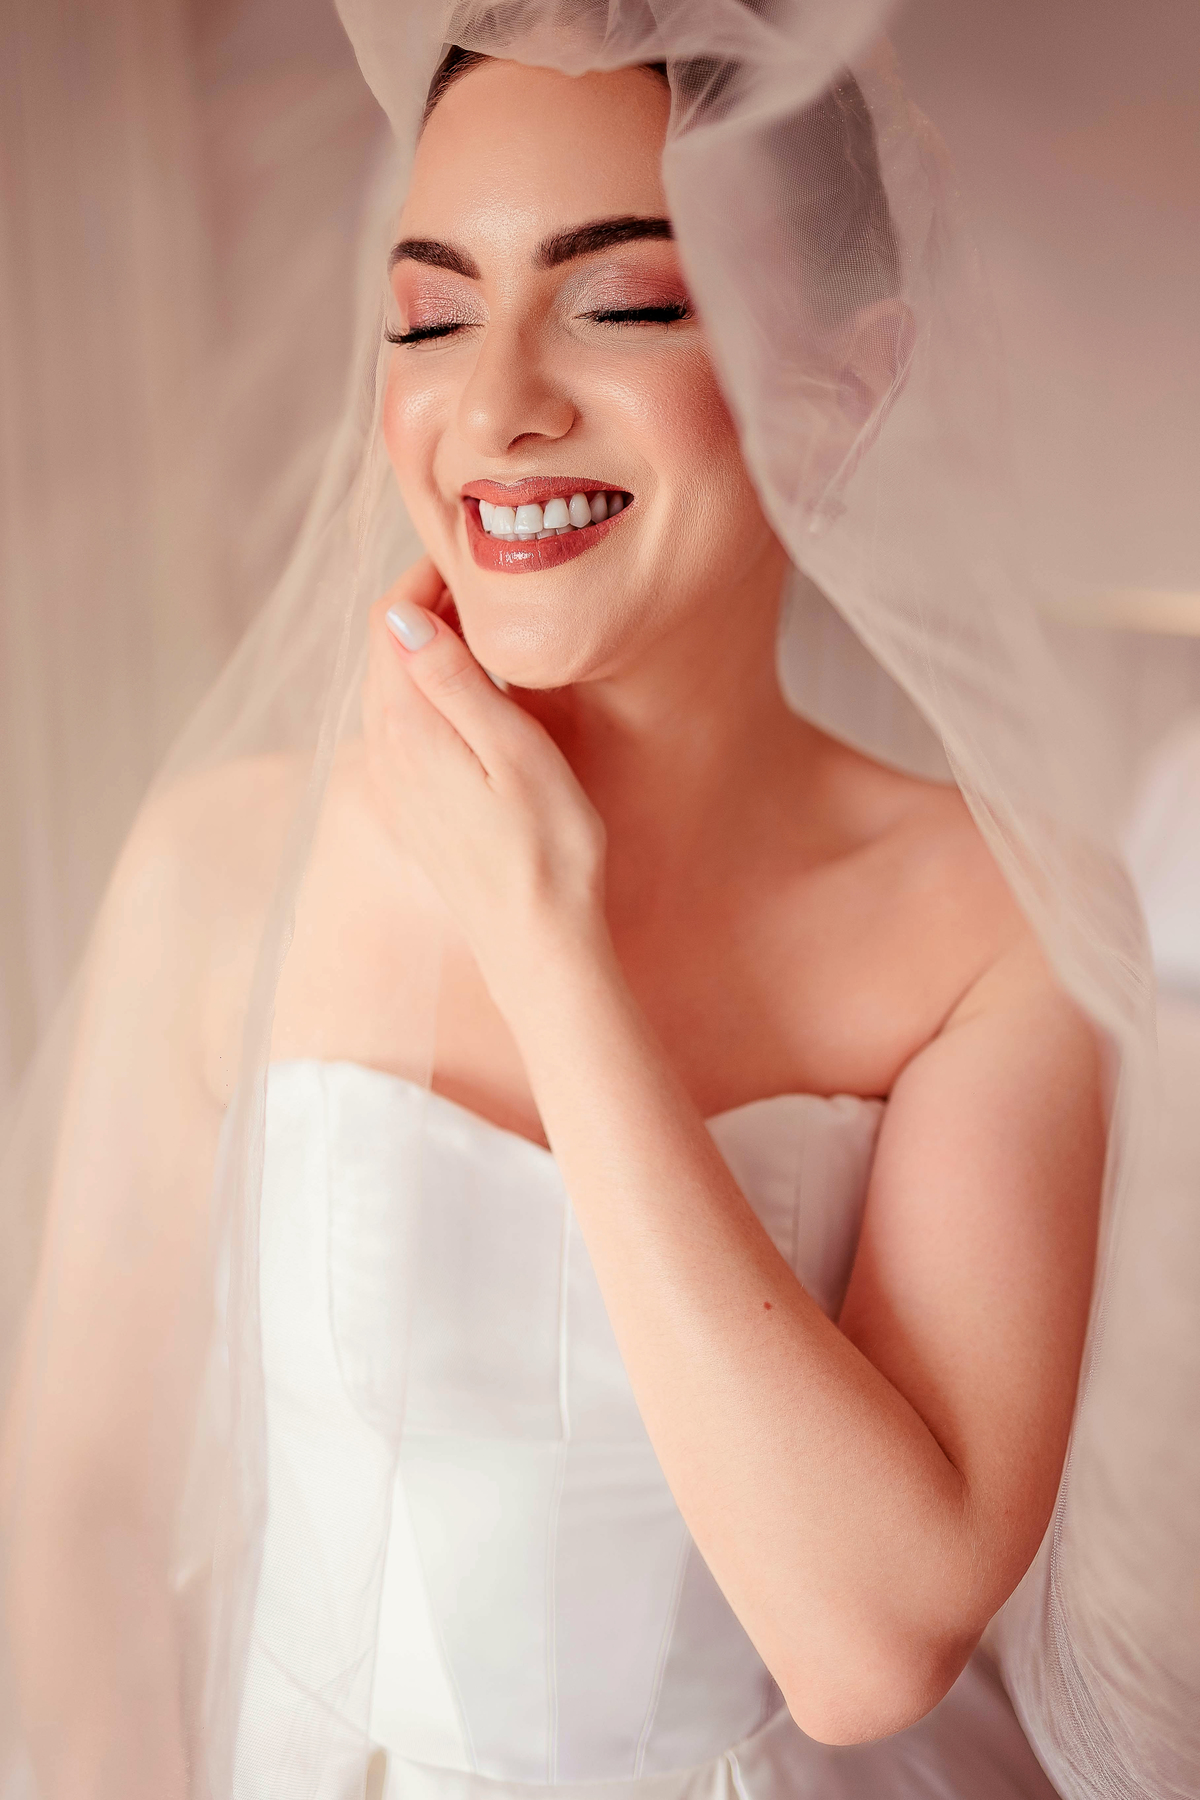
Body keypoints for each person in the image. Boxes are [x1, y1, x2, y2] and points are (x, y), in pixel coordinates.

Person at [2, 13, 1186, 1800]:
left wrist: (547, 943)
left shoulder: (997, 920)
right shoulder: (218, 868)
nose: (495, 406)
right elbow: (79, 1516)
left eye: (622, 303)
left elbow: (868, 1647)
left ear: (841, 384)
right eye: (430, 317)